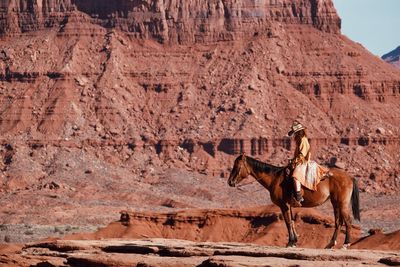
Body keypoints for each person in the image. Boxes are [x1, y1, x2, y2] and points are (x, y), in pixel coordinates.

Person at [287, 121, 310, 207]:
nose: (294, 135)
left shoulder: (303, 140)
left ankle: (298, 196)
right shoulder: (300, 140)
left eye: (295, 133)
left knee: (295, 176)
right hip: (299, 161)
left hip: (302, 162)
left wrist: (294, 161)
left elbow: (302, 154)